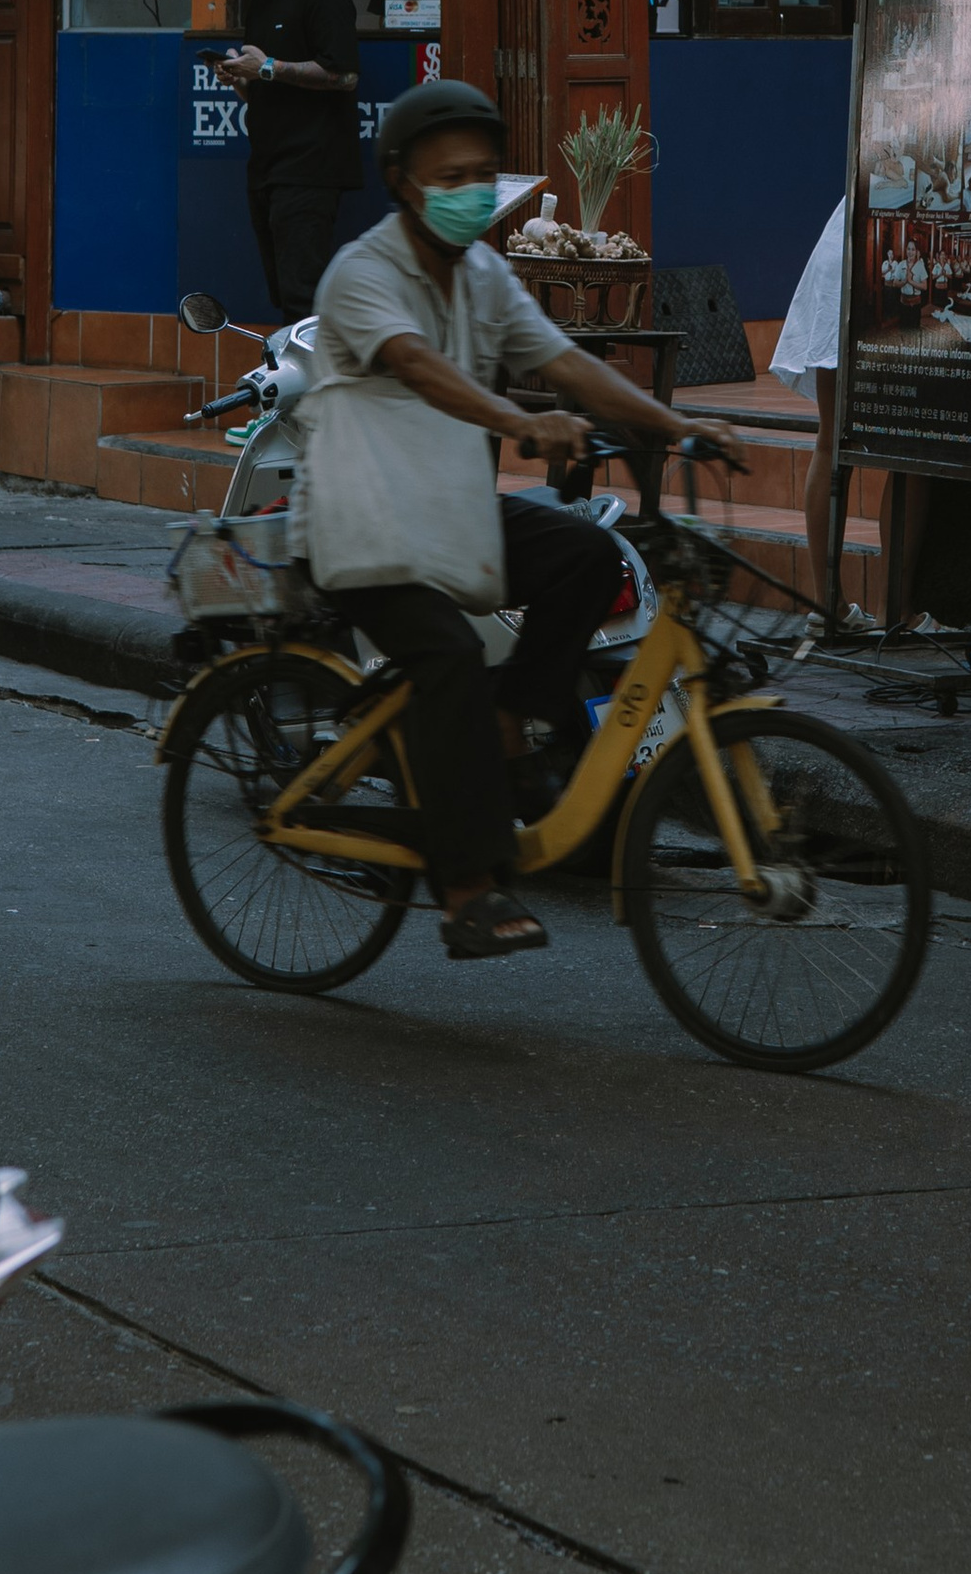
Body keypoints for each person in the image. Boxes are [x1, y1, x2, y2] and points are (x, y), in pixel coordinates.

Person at [303, 77, 747, 961]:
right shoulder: (361, 272)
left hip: (452, 516)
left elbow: (566, 365)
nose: (470, 188)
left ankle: (512, 724)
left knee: (589, 556)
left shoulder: (485, 276)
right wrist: (519, 422)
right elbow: (417, 365)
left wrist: (676, 422)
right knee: (452, 657)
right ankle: (466, 890)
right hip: (366, 525)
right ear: (400, 180)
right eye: (449, 174)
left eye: (483, 172)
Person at [773, 192, 926, 634]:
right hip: (871, 259)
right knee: (910, 450)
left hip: (843, 249)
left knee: (832, 440)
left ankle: (829, 608)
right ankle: (894, 610)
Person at [213, 0, 363, 318]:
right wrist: (240, 78)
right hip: (266, 168)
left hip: (310, 166)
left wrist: (264, 67)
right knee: (282, 290)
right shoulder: (261, 4)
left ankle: (317, 382)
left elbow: (345, 76)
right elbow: (265, 86)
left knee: (303, 293)